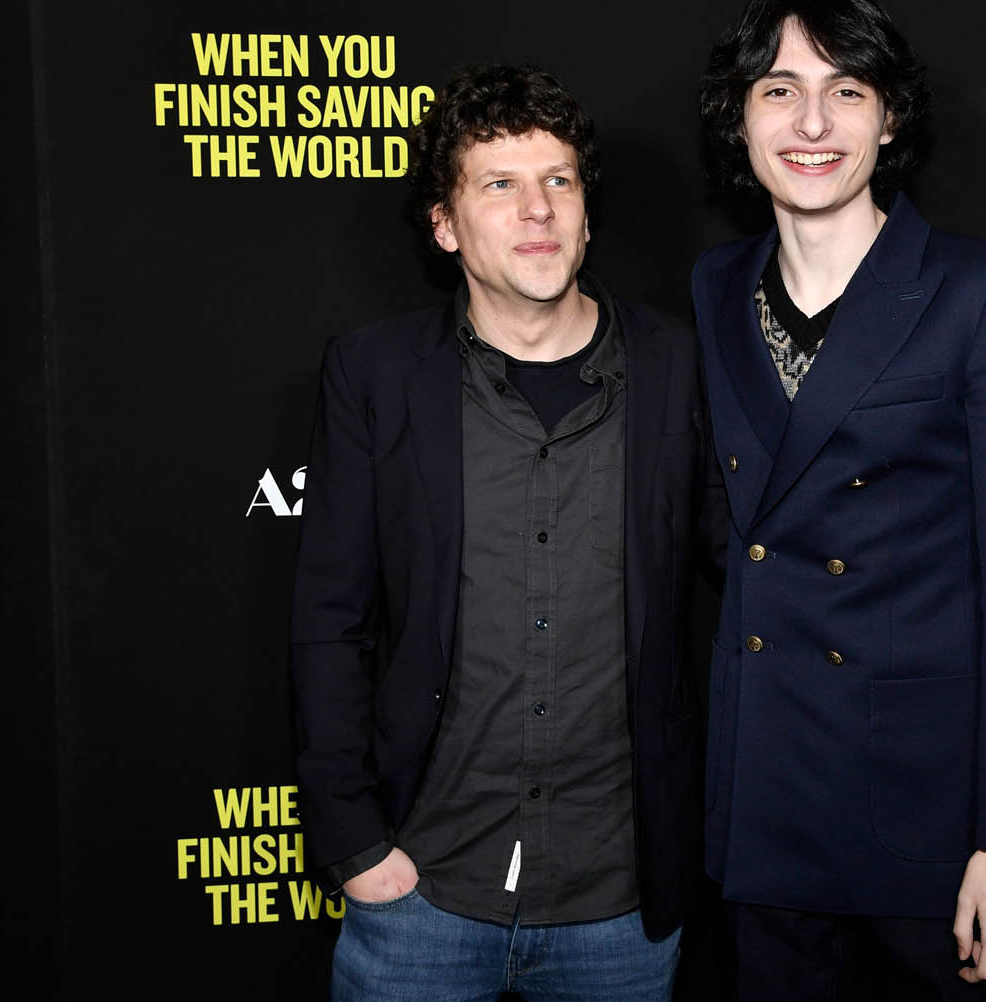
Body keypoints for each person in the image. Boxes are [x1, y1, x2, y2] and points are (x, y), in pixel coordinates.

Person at [292, 64, 718, 1002]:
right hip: (423, 895)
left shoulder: (680, 366)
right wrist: (354, 843)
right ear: (444, 226)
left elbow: (753, 577)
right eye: (499, 184)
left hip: (621, 906)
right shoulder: (374, 375)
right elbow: (331, 617)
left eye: (559, 180)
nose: (538, 209)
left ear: (587, 215)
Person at [692, 0, 986, 1000]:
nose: (812, 123)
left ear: (891, 117)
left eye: (848, 90)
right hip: (765, 796)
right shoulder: (714, 288)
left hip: (926, 814)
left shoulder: (984, 292)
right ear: (740, 117)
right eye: (780, 90)